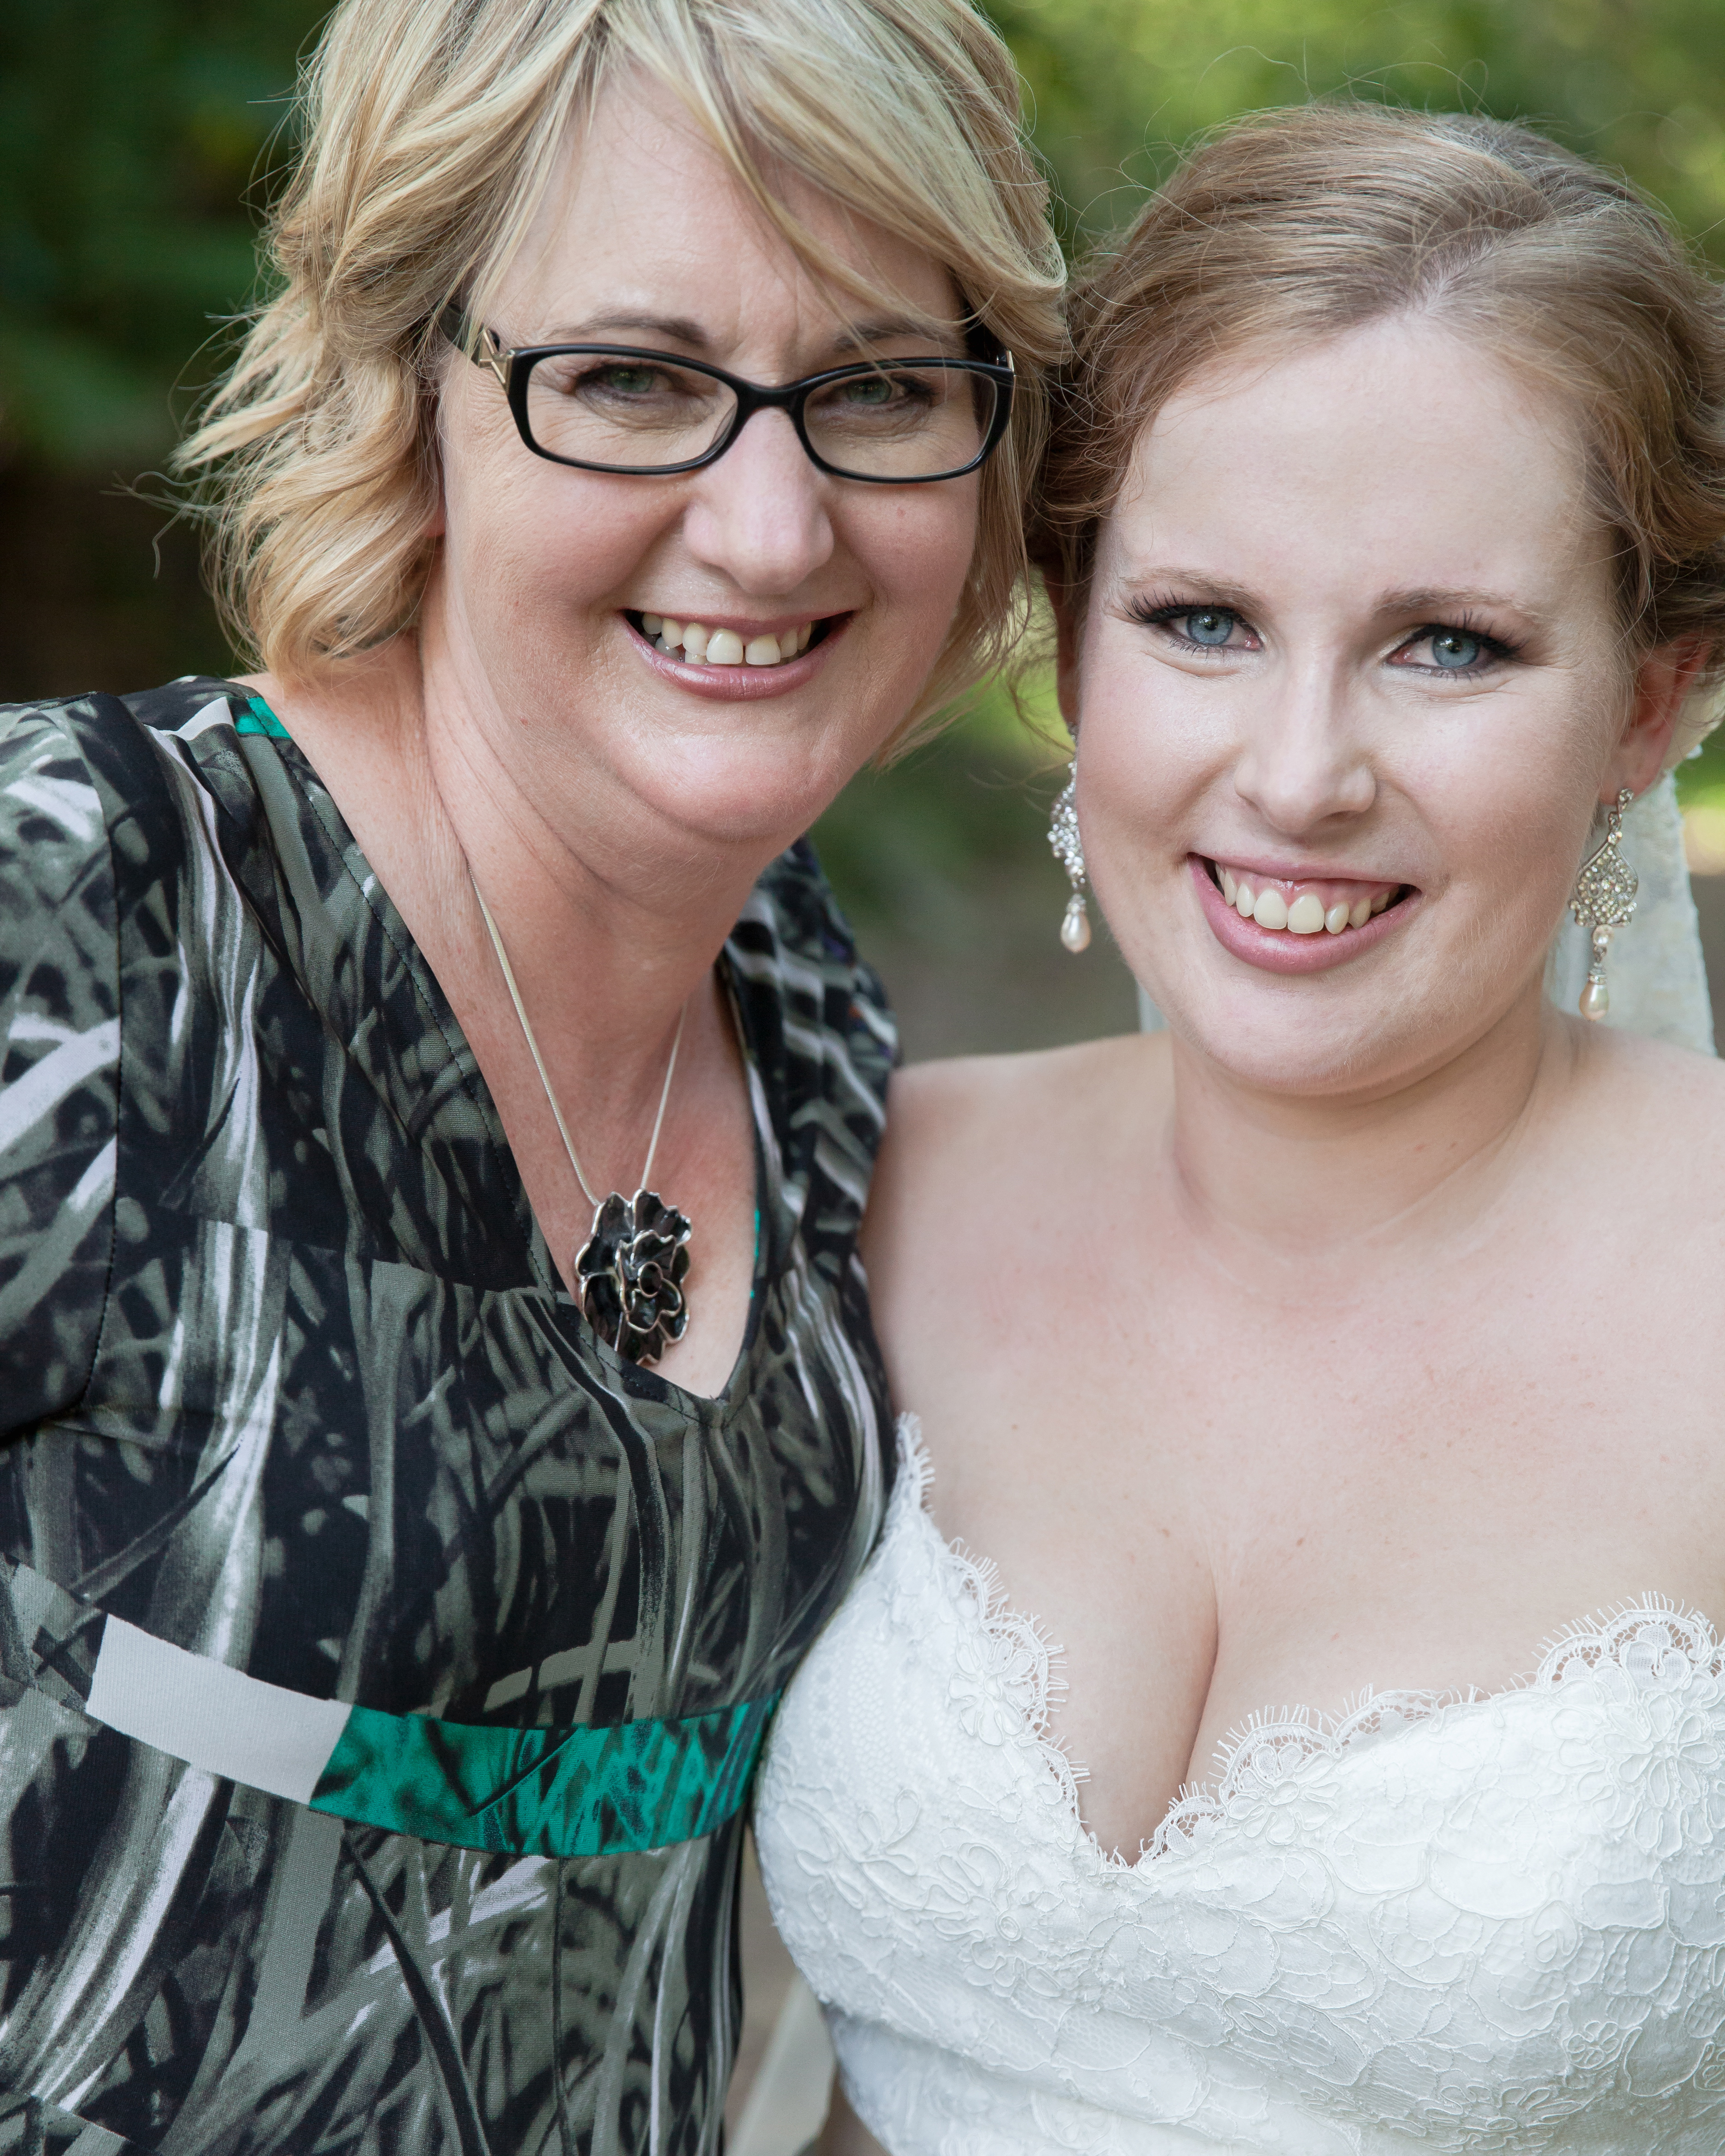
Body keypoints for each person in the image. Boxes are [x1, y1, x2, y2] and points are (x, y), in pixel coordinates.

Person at [0, 0, 1062, 2146]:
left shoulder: (821, 1046)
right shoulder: (81, 927)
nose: (771, 530)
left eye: (872, 388)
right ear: (406, 384)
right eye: (633, 382)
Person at [755, 103, 1725, 2153]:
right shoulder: (855, 1188)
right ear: (1074, 652)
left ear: (1652, 704)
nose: (1298, 775)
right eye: (1202, 621)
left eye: (1445, 646)